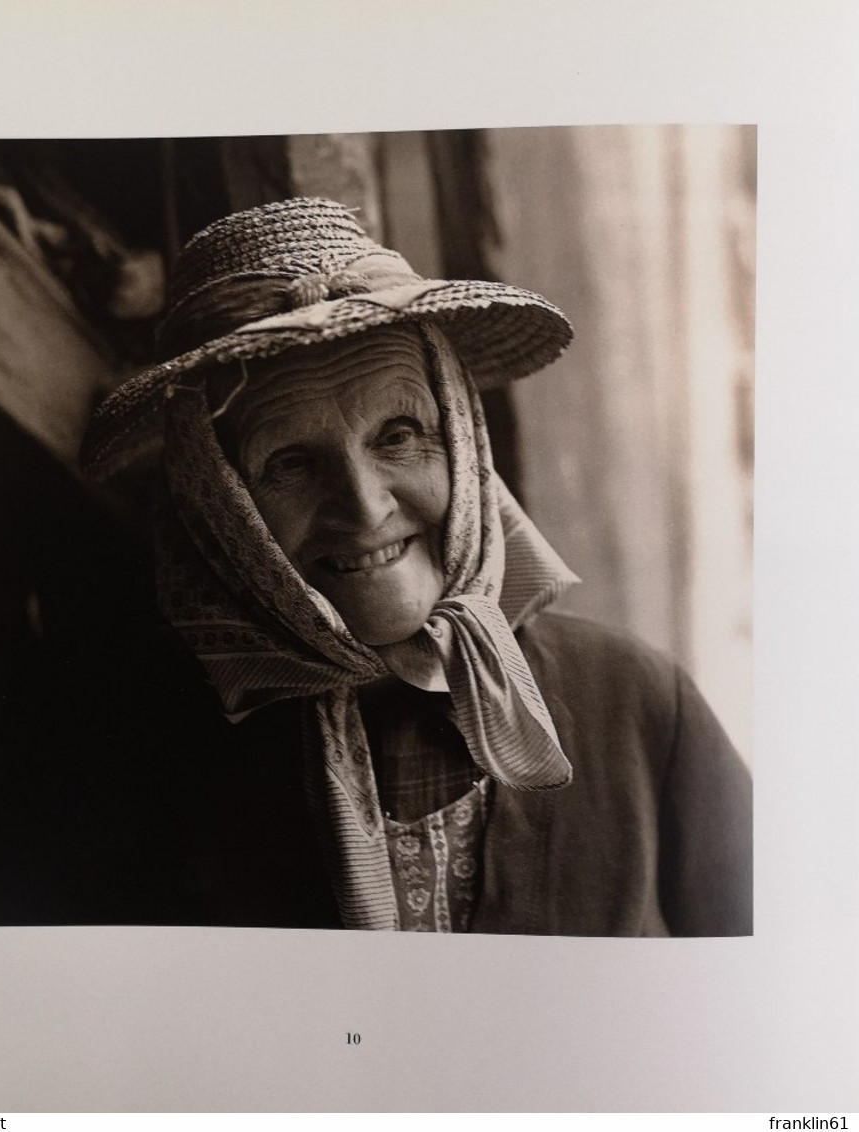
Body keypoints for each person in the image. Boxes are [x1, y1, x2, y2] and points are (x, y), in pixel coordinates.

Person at [80, 196, 752, 935]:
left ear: (463, 442)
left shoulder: (640, 705)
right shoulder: (120, 755)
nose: (365, 511)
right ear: (216, 501)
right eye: (292, 463)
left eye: (398, 435)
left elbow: (764, 1003)